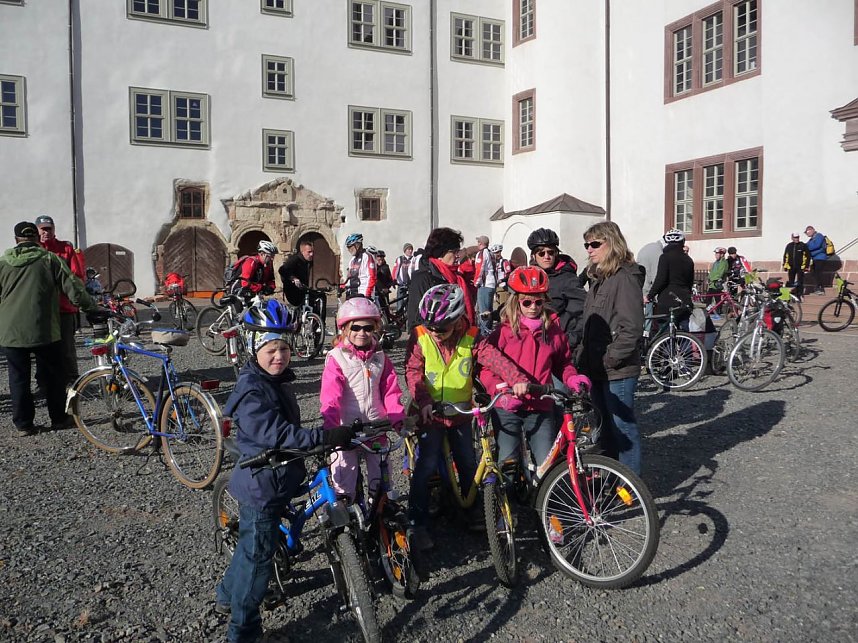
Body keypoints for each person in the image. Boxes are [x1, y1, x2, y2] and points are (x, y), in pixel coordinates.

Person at [215, 300, 356, 642]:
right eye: (270, 349)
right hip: (262, 487)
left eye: (283, 348)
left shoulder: (275, 380)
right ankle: (243, 633)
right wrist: (323, 437)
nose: (278, 356)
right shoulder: (251, 390)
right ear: (253, 348)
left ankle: (224, 597)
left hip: (277, 478)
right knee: (257, 564)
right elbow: (277, 435)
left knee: (252, 549)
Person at [405, 284, 529, 549]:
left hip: (461, 414)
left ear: (457, 319)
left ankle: (474, 510)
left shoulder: (472, 336)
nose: (435, 333)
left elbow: (494, 358)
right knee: (426, 465)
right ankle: (417, 522)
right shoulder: (420, 336)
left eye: (442, 328)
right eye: (431, 327)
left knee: (468, 463)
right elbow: (413, 372)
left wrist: (517, 379)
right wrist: (424, 401)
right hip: (430, 415)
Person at [480, 266, 591, 467]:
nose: (533, 307)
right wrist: (501, 393)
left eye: (538, 301)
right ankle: (510, 497)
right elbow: (488, 369)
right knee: (508, 462)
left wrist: (571, 378)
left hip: (541, 404)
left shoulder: (553, 331)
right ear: (516, 302)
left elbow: (562, 363)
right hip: (509, 406)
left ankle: (542, 496)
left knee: (546, 464)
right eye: (527, 302)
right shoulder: (503, 333)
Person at [0, 221, 95, 435]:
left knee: (18, 378)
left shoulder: (3, 262)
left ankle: (24, 424)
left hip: (10, 332)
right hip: (44, 329)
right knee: (54, 375)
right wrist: (92, 308)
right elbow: (73, 288)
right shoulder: (49, 259)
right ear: (36, 238)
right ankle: (59, 419)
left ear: (16, 241)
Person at [320, 298, 405, 501]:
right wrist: (331, 429)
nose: (362, 333)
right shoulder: (337, 358)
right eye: (355, 327)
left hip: (376, 427)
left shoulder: (381, 358)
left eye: (367, 327)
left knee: (381, 480)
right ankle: (344, 522)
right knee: (344, 480)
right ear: (345, 329)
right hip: (346, 430)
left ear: (375, 328)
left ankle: (380, 517)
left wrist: (398, 420)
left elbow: (391, 392)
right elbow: (331, 397)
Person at [577, 221, 645, 475]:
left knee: (623, 429)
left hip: (618, 370)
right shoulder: (600, 277)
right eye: (587, 245)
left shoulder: (624, 278)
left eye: (595, 244)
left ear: (612, 243)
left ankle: (629, 485)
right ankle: (610, 479)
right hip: (597, 367)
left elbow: (632, 329)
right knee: (604, 427)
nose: (589, 249)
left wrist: (610, 359)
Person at [35, 215, 86, 385]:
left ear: (54, 229)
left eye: (49, 229)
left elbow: (77, 276)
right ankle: (44, 380)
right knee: (42, 347)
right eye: (43, 229)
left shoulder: (66, 249)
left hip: (63, 308)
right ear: (37, 230)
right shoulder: (34, 251)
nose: (46, 232)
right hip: (42, 309)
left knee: (67, 348)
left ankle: (72, 380)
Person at [526, 227, 587, 353]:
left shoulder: (568, 279)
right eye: (541, 253)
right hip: (533, 344)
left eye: (551, 252)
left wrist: (567, 341)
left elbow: (583, 313)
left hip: (559, 346)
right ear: (534, 256)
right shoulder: (530, 277)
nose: (546, 257)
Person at [406, 227, 475, 331]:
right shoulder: (423, 278)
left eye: (458, 251)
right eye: (454, 251)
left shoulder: (457, 277)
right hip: (434, 338)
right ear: (440, 254)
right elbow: (415, 320)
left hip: (458, 338)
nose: (458, 256)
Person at [646, 228, 695, 323]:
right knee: (683, 332)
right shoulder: (688, 260)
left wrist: (650, 295)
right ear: (683, 242)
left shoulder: (665, 257)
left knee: (665, 334)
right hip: (684, 300)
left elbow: (661, 279)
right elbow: (690, 282)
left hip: (667, 300)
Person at [279, 239, 327, 326]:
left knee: (321, 296)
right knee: (311, 300)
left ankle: (319, 325)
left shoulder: (309, 262)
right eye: (309, 252)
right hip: (292, 291)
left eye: (312, 252)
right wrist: (293, 278)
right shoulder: (294, 259)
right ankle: (314, 323)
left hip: (303, 289)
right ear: (302, 251)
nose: (311, 254)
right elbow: (282, 270)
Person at [473, 235, 497, 335]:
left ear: (480, 243)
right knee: (489, 309)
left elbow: (480, 268)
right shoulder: (491, 253)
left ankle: (484, 333)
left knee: (483, 311)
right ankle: (489, 330)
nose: (477, 243)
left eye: (478, 242)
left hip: (485, 284)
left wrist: (476, 282)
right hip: (492, 283)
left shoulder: (482, 253)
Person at [344, 233, 377, 299]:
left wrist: (368, 293)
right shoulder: (352, 260)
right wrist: (342, 286)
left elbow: (372, 277)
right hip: (353, 293)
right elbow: (349, 276)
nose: (349, 249)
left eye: (350, 247)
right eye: (348, 247)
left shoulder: (368, 257)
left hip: (364, 293)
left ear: (357, 245)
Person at [782, 233, 810, 300]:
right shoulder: (789, 246)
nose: (796, 239)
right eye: (795, 237)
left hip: (800, 267)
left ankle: (799, 295)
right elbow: (786, 256)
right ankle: (792, 296)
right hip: (791, 267)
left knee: (800, 282)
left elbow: (807, 256)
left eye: (797, 237)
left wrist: (806, 266)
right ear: (792, 238)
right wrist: (785, 265)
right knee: (791, 282)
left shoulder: (803, 245)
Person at [804, 226, 828, 294]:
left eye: (807, 232)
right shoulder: (812, 239)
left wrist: (807, 248)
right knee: (814, 273)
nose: (807, 234)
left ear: (811, 230)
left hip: (820, 258)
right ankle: (817, 288)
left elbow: (815, 246)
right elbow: (806, 246)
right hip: (815, 259)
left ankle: (820, 289)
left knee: (818, 273)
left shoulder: (819, 236)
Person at [707, 247, 729, 317]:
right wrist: (708, 278)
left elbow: (720, 274)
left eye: (717, 254)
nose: (716, 255)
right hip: (712, 284)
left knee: (717, 299)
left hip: (718, 284)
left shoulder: (724, 263)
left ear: (722, 254)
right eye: (715, 254)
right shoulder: (715, 263)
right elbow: (712, 272)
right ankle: (709, 312)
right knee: (708, 298)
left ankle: (718, 312)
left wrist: (712, 279)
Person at [392, 243, 414, 309]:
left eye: (411, 249)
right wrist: (394, 280)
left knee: (410, 303)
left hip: (410, 285)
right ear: (405, 250)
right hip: (401, 284)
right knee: (400, 302)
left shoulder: (414, 259)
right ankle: (399, 316)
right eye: (409, 249)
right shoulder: (400, 259)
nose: (410, 251)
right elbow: (395, 270)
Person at [374, 249, 394, 315]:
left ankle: (388, 320)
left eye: (382, 260)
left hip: (384, 291)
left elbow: (389, 278)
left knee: (385, 308)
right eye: (378, 260)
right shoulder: (374, 268)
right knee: (378, 308)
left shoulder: (386, 267)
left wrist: (390, 285)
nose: (380, 261)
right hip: (377, 291)